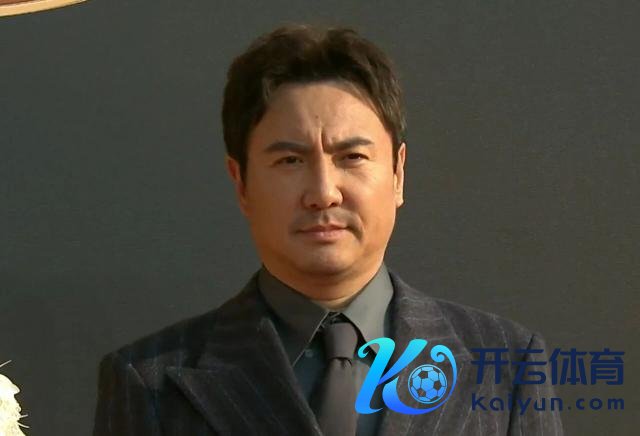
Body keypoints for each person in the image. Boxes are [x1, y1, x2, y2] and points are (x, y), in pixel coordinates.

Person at [93, 24, 563, 436]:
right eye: (290, 160)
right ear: (241, 183)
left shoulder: (506, 364)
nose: (323, 193)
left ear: (398, 174)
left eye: (352, 157)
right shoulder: (150, 381)